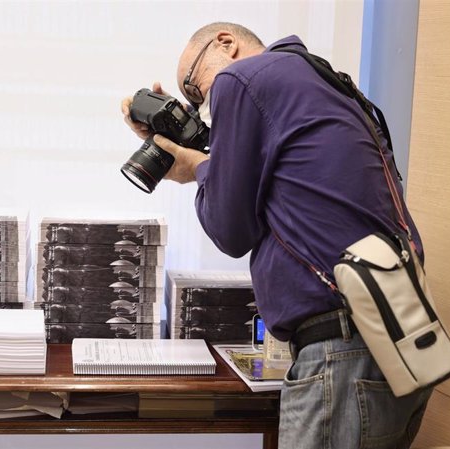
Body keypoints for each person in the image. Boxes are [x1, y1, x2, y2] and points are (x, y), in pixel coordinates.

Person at [121, 22, 432, 449]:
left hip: (342, 351)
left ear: (225, 44)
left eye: (196, 90)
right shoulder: (320, 79)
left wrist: (195, 169)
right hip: (401, 340)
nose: (205, 107)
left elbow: (230, 231)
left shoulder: (240, 78)